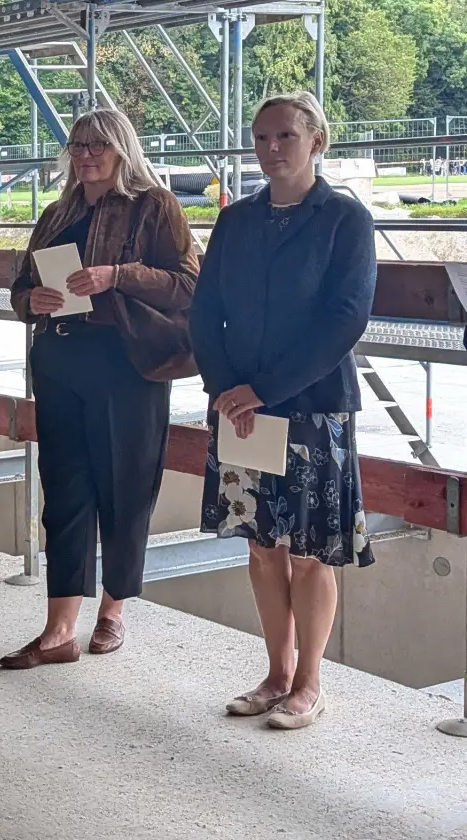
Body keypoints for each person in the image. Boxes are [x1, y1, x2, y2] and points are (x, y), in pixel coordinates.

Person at [192, 91, 376, 730]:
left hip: (312, 408)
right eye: (262, 138)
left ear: (316, 142)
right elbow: (203, 309)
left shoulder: (343, 219)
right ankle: (274, 673)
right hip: (240, 407)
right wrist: (224, 387)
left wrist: (264, 389)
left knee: (310, 552)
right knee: (262, 547)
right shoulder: (236, 220)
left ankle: (308, 683)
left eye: (285, 138)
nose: (271, 149)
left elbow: (345, 318)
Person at [1, 108, 199, 669]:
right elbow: (22, 287)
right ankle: (57, 630)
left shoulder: (154, 205)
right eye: (78, 146)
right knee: (62, 489)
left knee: (125, 485)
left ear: (122, 149)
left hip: (125, 362)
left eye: (98, 145)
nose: (86, 155)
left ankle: (113, 610)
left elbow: (188, 284)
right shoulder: (56, 212)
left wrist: (118, 274)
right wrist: (28, 302)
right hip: (61, 356)